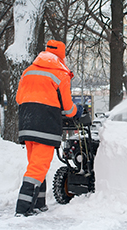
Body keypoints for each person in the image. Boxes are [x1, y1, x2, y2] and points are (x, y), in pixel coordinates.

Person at [15, 40, 83, 217]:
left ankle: (39, 204)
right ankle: (22, 209)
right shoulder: (60, 74)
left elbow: (19, 98)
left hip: (26, 124)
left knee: (37, 165)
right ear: (62, 55)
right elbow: (68, 109)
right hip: (45, 126)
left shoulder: (28, 71)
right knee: (38, 167)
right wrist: (78, 111)